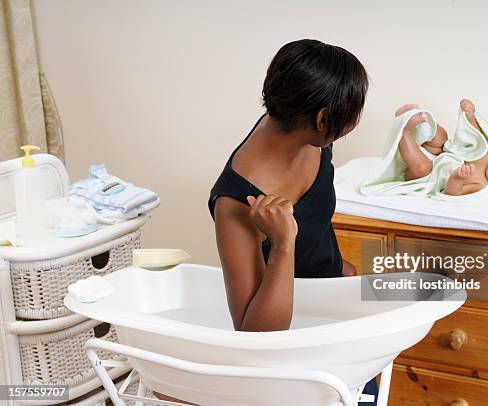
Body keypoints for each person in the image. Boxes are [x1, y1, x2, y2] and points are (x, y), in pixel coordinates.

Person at [155, 39, 377, 404]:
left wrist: (341, 272)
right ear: (323, 119)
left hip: (335, 308)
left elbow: (317, 221)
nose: (354, 121)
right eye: (352, 112)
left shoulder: (298, 130)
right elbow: (255, 335)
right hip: (296, 349)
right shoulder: (236, 203)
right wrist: (284, 244)